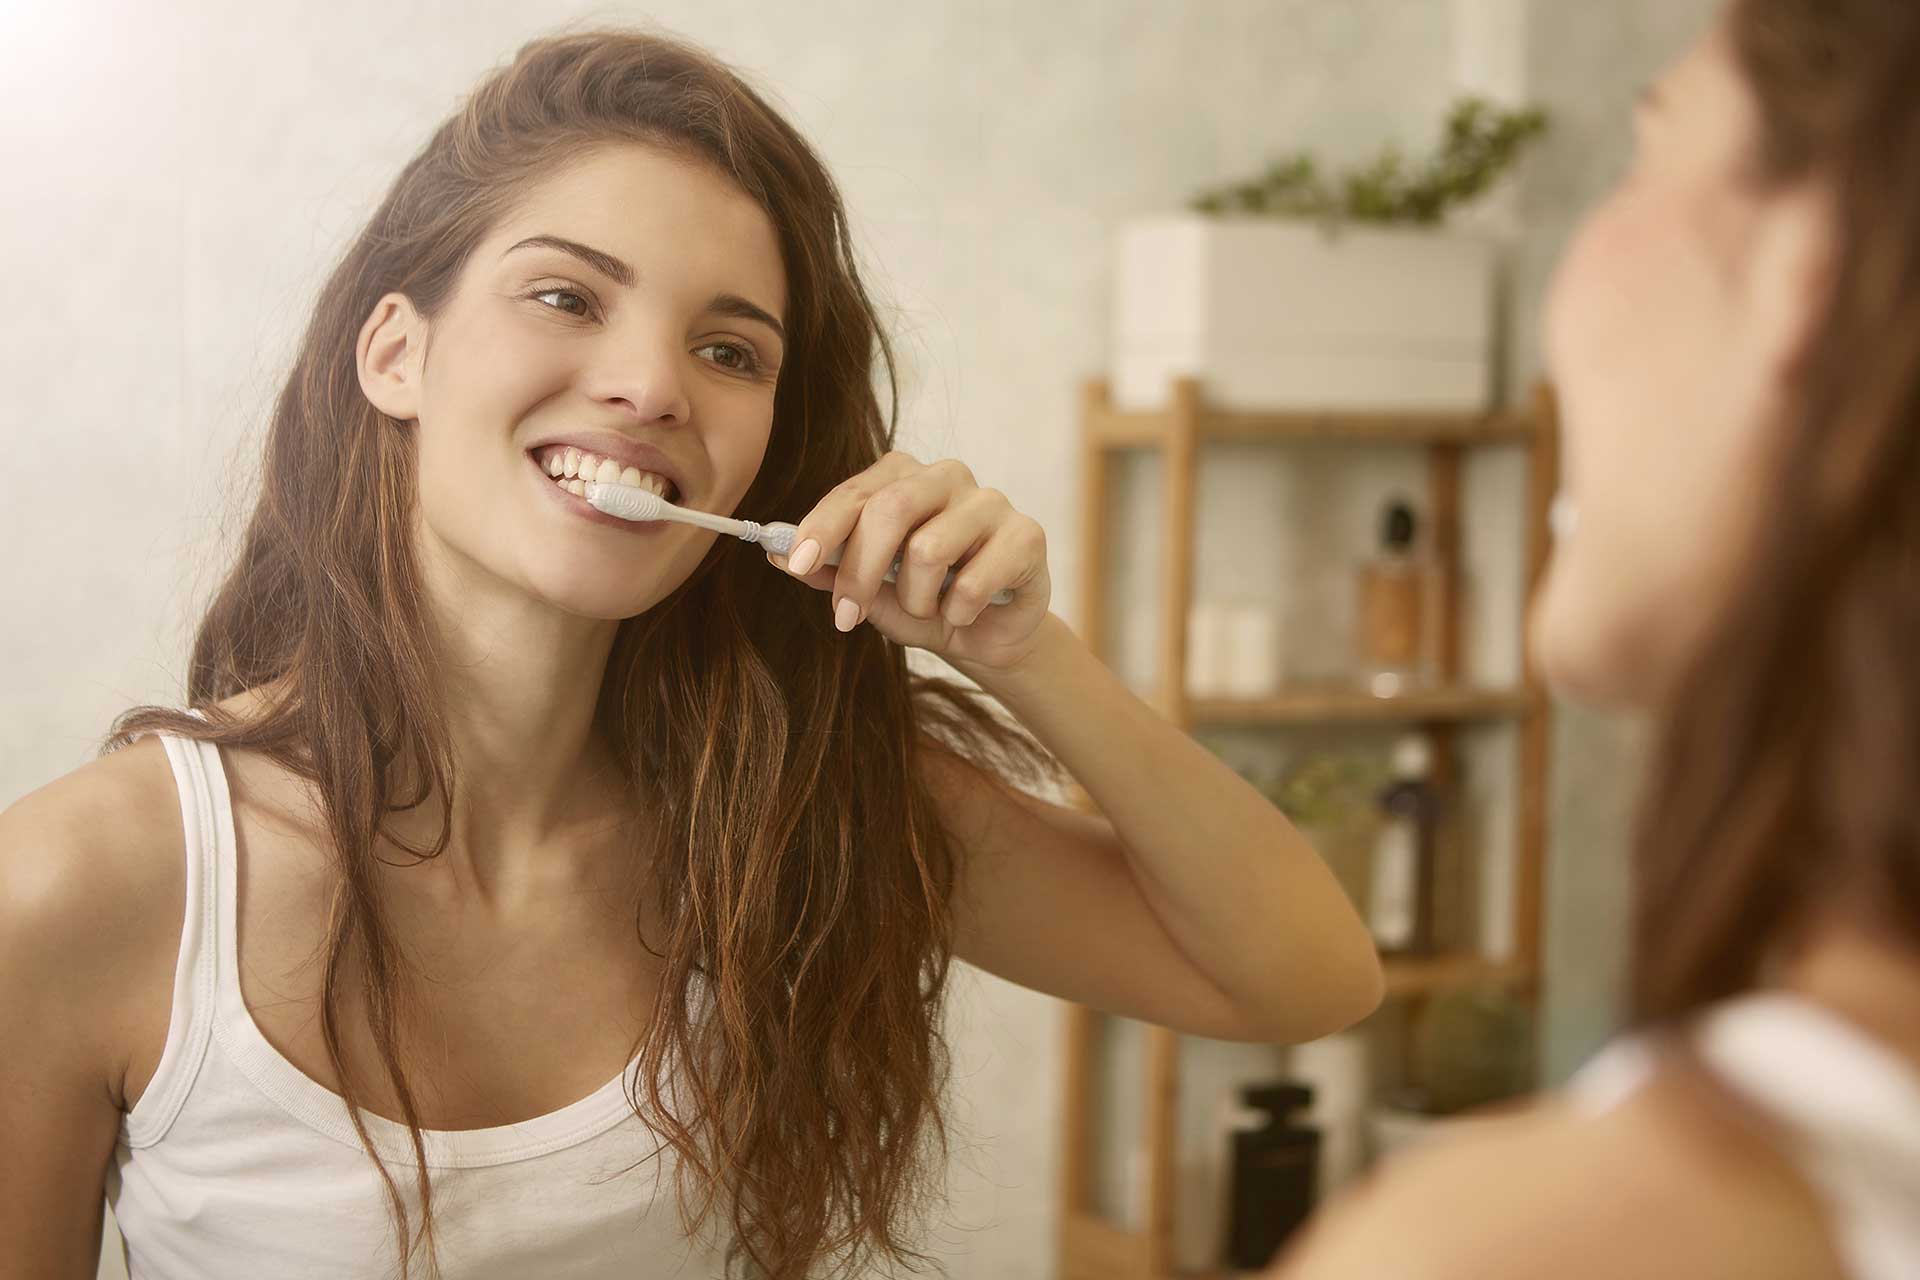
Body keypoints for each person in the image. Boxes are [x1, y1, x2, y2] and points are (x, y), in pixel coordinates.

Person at [0, 25, 1383, 1280]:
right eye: (564, 297)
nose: (653, 384)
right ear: (395, 355)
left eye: (729, 350)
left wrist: (1028, 657)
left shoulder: (798, 807)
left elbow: (1305, 979)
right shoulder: (89, 887)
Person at [1272, 1, 1920, 1277]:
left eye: (1643, 154)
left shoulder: (1535, 1244)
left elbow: (1295, 969)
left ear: (1817, 263)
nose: (1555, 299)